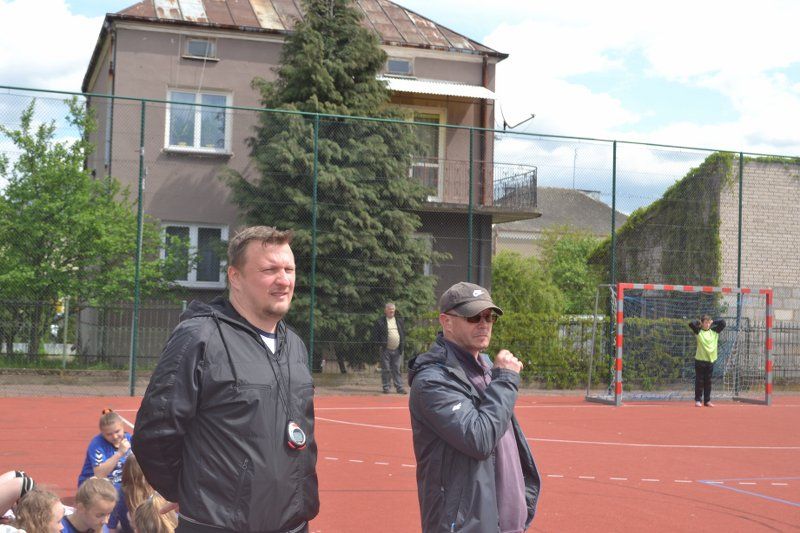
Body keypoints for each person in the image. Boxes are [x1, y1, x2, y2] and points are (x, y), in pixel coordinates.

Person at [133, 226, 319, 533]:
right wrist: (187, 490)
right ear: (235, 276)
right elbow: (155, 431)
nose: (284, 280)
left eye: (289, 269)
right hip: (219, 525)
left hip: (293, 525)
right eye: (269, 270)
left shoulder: (295, 345)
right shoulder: (199, 337)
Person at [407, 281, 541, 533]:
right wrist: (505, 381)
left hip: (504, 524)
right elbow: (478, 439)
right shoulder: (432, 381)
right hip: (466, 525)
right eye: (473, 317)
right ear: (446, 322)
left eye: (489, 317)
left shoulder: (488, 369)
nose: (484, 324)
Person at [77, 409, 131, 532]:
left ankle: (129, 525)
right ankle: (111, 528)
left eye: (117, 431)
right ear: (102, 433)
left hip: (119, 480)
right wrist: (119, 453)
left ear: (123, 427)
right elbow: (99, 474)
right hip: (95, 482)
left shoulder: (129, 439)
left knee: (137, 489)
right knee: (118, 493)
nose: (115, 436)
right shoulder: (97, 444)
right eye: (109, 434)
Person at [689, 314, 726, 407]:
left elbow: (723, 323)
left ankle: (707, 401)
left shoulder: (714, 331)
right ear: (702, 323)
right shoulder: (699, 331)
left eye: (709, 323)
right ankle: (698, 400)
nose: (707, 324)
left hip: (710, 361)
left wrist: (713, 322)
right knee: (699, 381)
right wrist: (699, 323)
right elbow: (691, 324)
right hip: (700, 361)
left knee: (708, 382)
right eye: (706, 322)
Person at [372, 302, 406, 394]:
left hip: (397, 349)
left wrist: (402, 345)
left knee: (397, 369)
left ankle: (399, 388)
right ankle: (386, 387)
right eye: (390, 309)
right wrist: (380, 345)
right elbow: (376, 335)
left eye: (393, 309)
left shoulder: (399, 320)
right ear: (385, 311)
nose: (391, 311)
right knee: (386, 369)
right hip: (385, 349)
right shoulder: (380, 321)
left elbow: (403, 333)